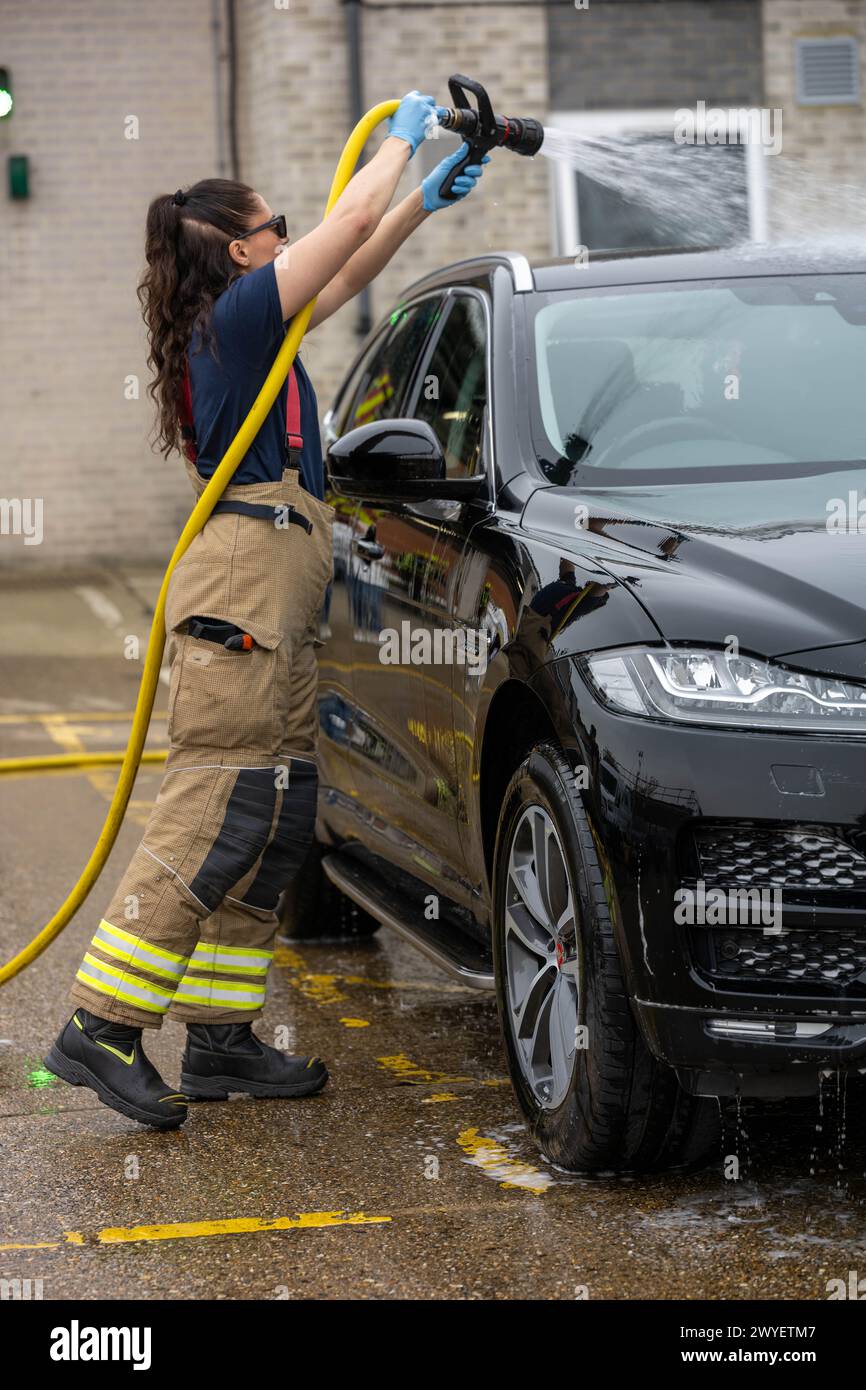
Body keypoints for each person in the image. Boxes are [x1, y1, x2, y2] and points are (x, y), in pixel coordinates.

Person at [44, 91, 490, 1129]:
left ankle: (219, 1040)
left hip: (282, 574)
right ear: (243, 255)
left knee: (283, 805)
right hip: (242, 574)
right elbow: (338, 233)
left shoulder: (262, 319)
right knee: (223, 796)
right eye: (273, 223)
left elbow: (348, 261)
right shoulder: (238, 319)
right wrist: (396, 142)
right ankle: (99, 1026)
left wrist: (420, 195)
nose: (291, 230)